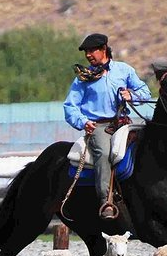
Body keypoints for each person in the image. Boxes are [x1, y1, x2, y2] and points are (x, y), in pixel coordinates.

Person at [63, 33, 151, 219]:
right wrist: (83, 122)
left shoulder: (124, 70)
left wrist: (132, 95)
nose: (88, 55)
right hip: (99, 127)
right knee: (103, 153)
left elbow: (145, 91)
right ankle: (106, 202)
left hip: (124, 123)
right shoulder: (83, 78)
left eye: (91, 50)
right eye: (86, 52)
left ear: (104, 49)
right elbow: (70, 106)